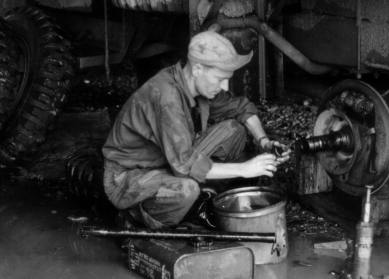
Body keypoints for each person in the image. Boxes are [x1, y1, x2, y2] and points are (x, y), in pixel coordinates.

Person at [102, 31, 290, 230]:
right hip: (128, 177)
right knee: (186, 190)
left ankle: (202, 197)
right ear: (198, 69)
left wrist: (264, 141)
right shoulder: (167, 97)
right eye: (219, 79)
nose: (224, 86)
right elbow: (184, 164)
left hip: (167, 161)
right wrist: (244, 169)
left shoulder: (197, 85)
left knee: (235, 130)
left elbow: (240, 108)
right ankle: (135, 214)